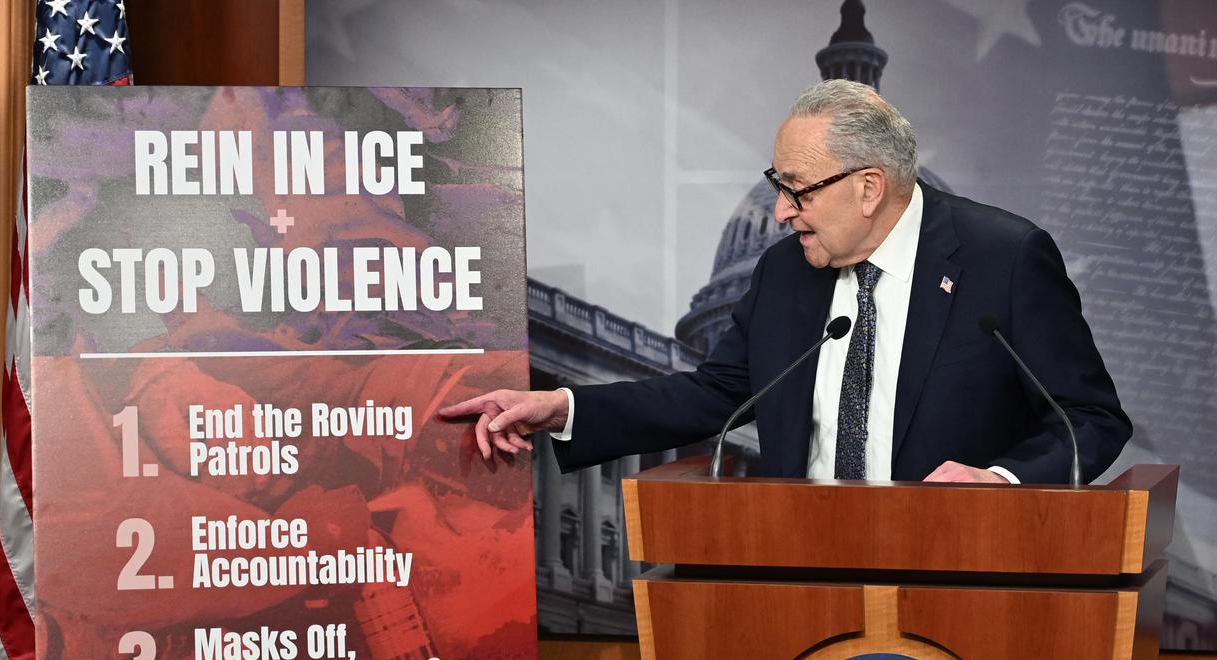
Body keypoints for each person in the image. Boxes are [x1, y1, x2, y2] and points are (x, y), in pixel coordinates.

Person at [439, 80, 1131, 485]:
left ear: (869, 188)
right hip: (797, 574)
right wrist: (562, 407)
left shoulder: (1004, 259)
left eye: (796, 189)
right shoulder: (784, 271)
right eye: (778, 187)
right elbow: (714, 393)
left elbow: (1090, 420)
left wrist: (1002, 482)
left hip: (960, 576)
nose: (778, 211)